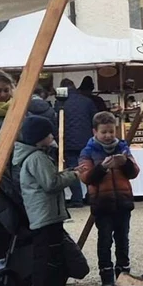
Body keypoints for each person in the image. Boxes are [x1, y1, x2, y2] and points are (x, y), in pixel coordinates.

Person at [11, 113, 72, 286]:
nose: (52, 136)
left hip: (42, 213)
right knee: (47, 255)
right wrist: (74, 176)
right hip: (45, 214)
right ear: (39, 137)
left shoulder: (33, 156)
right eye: (48, 134)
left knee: (49, 253)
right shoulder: (37, 158)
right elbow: (51, 183)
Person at [76, 110, 138, 286]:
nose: (108, 135)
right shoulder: (87, 152)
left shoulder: (123, 148)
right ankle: (107, 279)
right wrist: (102, 167)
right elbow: (86, 177)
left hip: (123, 202)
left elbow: (134, 172)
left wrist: (124, 163)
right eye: (104, 132)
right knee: (104, 241)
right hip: (102, 204)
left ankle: (124, 276)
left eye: (111, 131)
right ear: (95, 132)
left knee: (123, 240)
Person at [60, 76, 104, 206]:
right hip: (86, 140)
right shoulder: (87, 101)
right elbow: (96, 119)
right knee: (89, 167)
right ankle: (91, 195)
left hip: (68, 142)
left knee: (73, 169)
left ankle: (77, 198)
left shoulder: (61, 103)